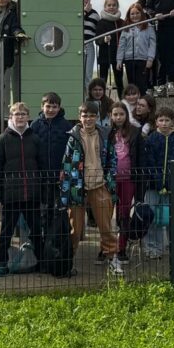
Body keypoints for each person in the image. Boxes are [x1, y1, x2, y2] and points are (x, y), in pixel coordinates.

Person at [60, 102, 118, 272]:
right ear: (80, 117)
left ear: (97, 117)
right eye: (85, 115)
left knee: (106, 227)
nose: (88, 119)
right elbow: (67, 164)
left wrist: (109, 182)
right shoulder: (73, 136)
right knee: (75, 230)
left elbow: (113, 160)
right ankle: (68, 262)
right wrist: (67, 189)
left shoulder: (105, 135)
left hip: (100, 184)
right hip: (77, 187)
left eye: (92, 115)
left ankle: (112, 259)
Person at [0, 102, 42, 277]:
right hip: (10, 195)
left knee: (36, 231)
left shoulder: (34, 138)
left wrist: (42, 192)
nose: (20, 117)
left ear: (28, 117)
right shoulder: (2, 140)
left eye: (23, 114)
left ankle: (41, 262)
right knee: (6, 232)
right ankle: (1, 264)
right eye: (16, 114)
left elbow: (42, 167)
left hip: (31, 195)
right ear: (10, 117)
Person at [140, 107, 174, 259]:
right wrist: (159, 184)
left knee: (173, 218)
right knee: (152, 218)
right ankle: (153, 248)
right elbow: (149, 164)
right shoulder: (151, 140)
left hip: (173, 189)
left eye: (167, 120)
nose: (164, 123)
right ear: (156, 122)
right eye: (161, 120)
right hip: (153, 187)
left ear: (172, 122)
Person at [108, 102, 143, 267]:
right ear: (111, 116)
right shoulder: (107, 133)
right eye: (115, 114)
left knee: (124, 214)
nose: (118, 117)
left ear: (126, 115)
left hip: (128, 179)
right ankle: (106, 247)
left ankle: (121, 247)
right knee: (106, 213)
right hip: (110, 179)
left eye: (121, 114)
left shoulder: (135, 133)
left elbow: (140, 157)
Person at [30, 92, 72, 213]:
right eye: (48, 106)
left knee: (60, 208)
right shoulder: (35, 125)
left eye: (54, 107)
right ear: (42, 106)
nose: (51, 110)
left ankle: (60, 232)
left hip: (60, 174)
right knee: (44, 207)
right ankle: (45, 231)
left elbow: (69, 151)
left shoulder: (66, 126)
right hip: (41, 175)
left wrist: (65, 169)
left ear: (59, 108)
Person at [116, 3, 156, 94]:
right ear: (129, 15)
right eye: (132, 14)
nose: (135, 16)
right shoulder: (126, 28)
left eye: (137, 13)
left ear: (141, 13)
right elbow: (121, 45)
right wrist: (119, 60)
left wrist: (150, 59)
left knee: (141, 86)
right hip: (129, 60)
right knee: (131, 86)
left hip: (143, 60)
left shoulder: (149, 27)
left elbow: (152, 44)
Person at [94, 0, 125, 96]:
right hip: (104, 55)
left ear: (117, 7)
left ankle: (122, 101)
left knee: (119, 81)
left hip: (118, 56)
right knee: (102, 81)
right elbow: (97, 40)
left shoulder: (121, 22)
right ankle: (101, 102)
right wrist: (103, 39)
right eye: (109, 5)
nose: (111, 7)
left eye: (114, 5)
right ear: (105, 7)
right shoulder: (101, 22)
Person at [82, 0, 101, 89]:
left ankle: (88, 100)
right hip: (77, 45)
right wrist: (84, 12)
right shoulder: (76, 13)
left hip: (89, 45)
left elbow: (100, 29)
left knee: (88, 76)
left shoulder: (95, 14)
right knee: (78, 75)